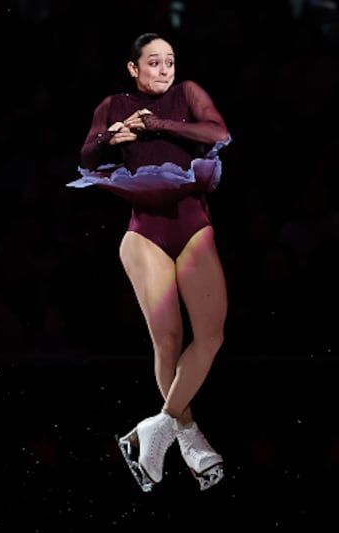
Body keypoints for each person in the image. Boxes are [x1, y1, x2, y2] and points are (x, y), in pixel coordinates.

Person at [77, 32, 231, 492]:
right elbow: (87, 155)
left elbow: (218, 134)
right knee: (168, 342)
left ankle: (157, 427)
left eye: (170, 62)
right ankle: (186, 434)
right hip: (144, 233)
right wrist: (112, 135)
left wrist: (159, 125)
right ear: (133, 68)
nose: (164, 70)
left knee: (211, 335)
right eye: (154, 63)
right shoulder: (113, 103)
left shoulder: (188, 95)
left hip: (192, 225)